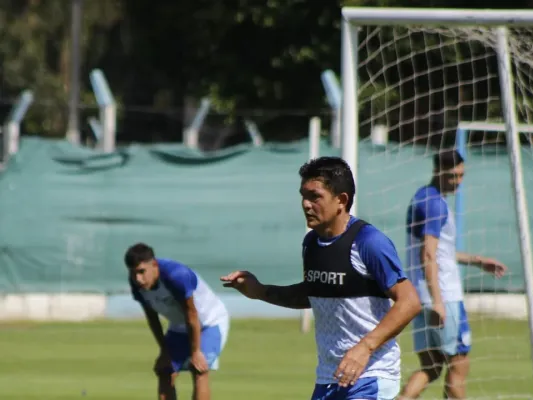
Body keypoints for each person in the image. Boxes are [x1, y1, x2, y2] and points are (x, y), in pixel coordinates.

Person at [221, 156, 422, 400]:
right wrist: (260, 291)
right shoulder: (311, 243)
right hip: (329, 379)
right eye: (303, 196)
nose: (305, 204)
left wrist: (365, 347)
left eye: (315, 196)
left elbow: (409, 302)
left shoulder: (369, 242)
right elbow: (313, 293)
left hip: (370, 376)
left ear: (341, 200)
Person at [399, 149, 508, 400]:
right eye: (452, 176)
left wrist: (478, 261)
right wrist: (438, 300)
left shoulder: (422, 197)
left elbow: (439, 252)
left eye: (461, 176)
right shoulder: (435, 204)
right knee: (459, 366)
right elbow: (428, 254)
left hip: (421, 296)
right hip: (443, 296)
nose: (458, 181)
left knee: (432, 367)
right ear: (438, 171)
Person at [125, 243, 230, 400]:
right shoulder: (136, 283)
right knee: (165, 370)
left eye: (141, 272)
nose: (138, 279)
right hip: (179, 326)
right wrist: (164, 351)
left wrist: (195, 352)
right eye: (133, 273)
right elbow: (152, 318)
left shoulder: (176, 275)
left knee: (199, 370)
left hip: (209, 323)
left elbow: (192, 314)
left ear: (154, 265)